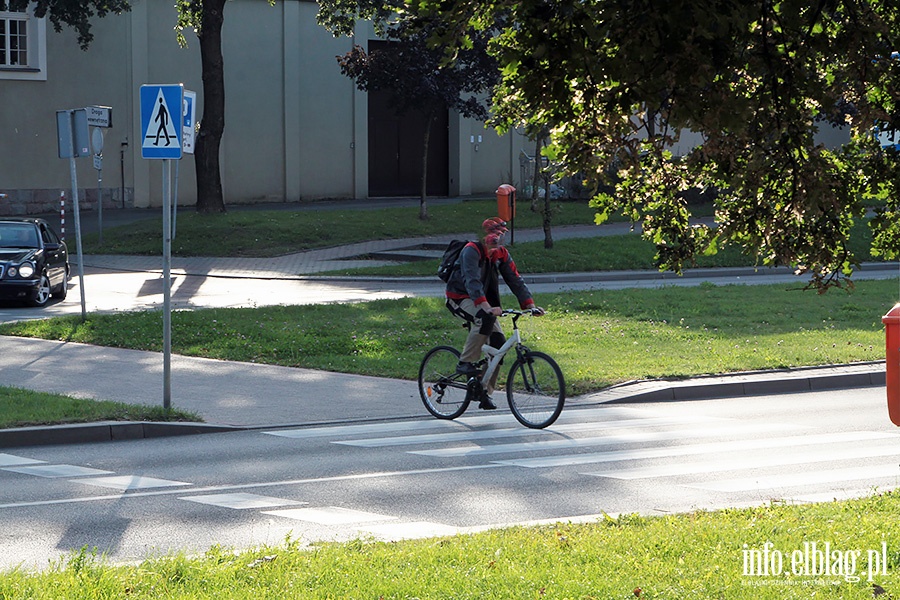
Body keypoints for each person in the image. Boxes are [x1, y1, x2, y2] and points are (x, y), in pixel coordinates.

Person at [445, 217, 545, 409]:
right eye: (495, 234)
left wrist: (530, 305)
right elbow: (471, 281)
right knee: (484, 319)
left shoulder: (501, 254)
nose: (498, 238)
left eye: (501, 235)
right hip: (459, 297)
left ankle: (484, 391)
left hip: (481, 301)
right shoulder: (471, 251)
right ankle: (465, 362)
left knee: (499, 345)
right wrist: (485, 306)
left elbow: (515, 279)